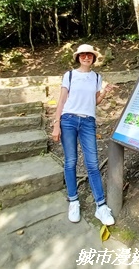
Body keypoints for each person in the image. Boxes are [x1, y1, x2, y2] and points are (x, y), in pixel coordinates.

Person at [52, 43, 116, 226]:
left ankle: (101, 206)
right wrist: (57, 124)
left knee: (93, 164)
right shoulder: (69, 75)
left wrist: (104, 92)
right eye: (83, 55)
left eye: (89, 55)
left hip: (88, 121)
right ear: (78, 57)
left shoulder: (96, 77)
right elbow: (62, 100)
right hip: (68, 120)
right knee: (70, 161)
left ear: (94, 58)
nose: (86, 57)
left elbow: (94, 101)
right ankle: (73, 201)